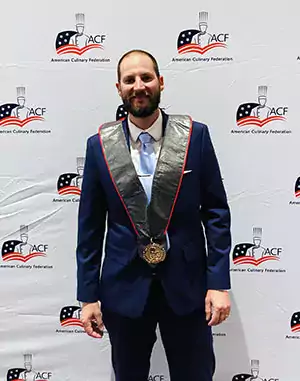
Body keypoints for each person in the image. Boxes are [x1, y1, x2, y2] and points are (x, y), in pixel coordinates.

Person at [76, 49, 231, 381]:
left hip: (188, 288)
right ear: (119, 88)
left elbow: (216, 212)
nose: (139, 85)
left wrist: (218, 283)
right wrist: (87, 296)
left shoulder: (195, 136)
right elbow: (89, 227)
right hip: (124, 289)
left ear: (160, 82)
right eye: (130, 79)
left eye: (146, 77)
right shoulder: (99, 146)